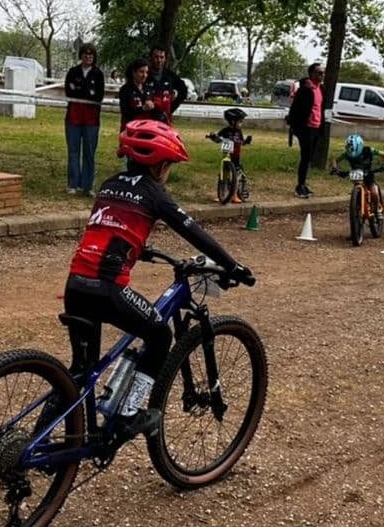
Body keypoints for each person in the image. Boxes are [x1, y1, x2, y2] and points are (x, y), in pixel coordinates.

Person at [63, 120, 252, 442]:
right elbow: (193, 232)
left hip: (76, 285)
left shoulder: (109, 184)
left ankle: (47, 444)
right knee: (161, 336)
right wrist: (232, 266)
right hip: (108, 290)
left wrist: (139, 248)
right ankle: (129, 414)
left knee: (80, 373)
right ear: (161, 166)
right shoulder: (155, 193)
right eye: (170, 166)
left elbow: (110, 228)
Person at [64, 43, 105, 196]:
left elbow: (98, 96)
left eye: (91, 54)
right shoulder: (73, 72)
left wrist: (80, 89)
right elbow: (69, 91)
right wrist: (87, 91)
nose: (88, 56)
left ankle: (88, 186)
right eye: (85, 54)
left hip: (91, 120)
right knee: (73, 152)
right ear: (81, 55)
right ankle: (73, 184)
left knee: (89, 153)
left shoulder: (98, 74)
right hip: (73, 118)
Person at [287, 62, 325, 198]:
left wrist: (321, 127)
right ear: (312, 74)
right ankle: (299, 186)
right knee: (305, 157)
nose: (322, 75)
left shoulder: (321, 88)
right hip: (305, 128)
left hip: (316, 127)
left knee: (309, 158)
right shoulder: (305, 89)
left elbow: (320, 108)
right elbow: (295, 109)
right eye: (319, 73)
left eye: (323, 73)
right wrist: (294, 126)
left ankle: (303, 184)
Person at [329, 134, 384, 217]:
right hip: (357, 174)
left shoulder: (369, 150)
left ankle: (377, 209)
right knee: (356, 189)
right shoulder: (346, 154)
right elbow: (335, 160)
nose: (351, 150)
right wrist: (334, 168)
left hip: (368, 174)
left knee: (373, 190)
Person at [118, 58, 166, 129]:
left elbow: (156, 111)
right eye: (141, 72)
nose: (144, 75)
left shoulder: (149, 89)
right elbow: (125, 112)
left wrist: (154, 107)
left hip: (146, 129)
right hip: (130, 129)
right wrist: (143, 108)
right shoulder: (125, 89)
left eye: (146, 72)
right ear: (134, 72)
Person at [145, 45, 188, 119]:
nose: (159, 60)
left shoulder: (170, 76)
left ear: (165, 59)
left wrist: (171, 108)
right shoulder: (144, 75)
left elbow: (183, 91)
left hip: (164, 119)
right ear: (150, 58)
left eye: (162, 57)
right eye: (156, 57)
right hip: (146, 118)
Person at [213, 107, 252, 181]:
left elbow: (242, 141)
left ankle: (240, 178)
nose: (241, 124)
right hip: (227, 152)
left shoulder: (239, 131)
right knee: (225, 164)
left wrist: (246, 141)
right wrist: (213, 136)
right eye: (240, 122)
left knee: (237, 166)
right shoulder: (225, 130)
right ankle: (224, 178)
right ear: (233, 121)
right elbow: (217, 137)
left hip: (236, 153)